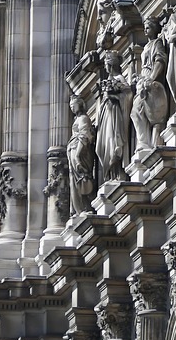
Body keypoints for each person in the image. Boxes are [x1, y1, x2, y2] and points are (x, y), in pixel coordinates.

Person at [131, 15, 169, 150]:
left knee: (149, 111)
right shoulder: (147, 45)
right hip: (144, 80)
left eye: (148, 27)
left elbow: (160, 60)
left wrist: (152, 78)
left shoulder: (157, 43)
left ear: (154, 29)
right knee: (135, 111)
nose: (145, 30)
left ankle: (147, 143)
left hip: (150, 81)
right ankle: (143, 141)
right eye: (145, 27)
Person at [95, 50, 130, 182]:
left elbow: (128, 95)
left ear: (111, 65)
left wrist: (113, 96)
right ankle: (110, 175)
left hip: (115, 115)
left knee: (112, 143)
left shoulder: (119, 79)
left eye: (107, 64)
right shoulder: (108, 81)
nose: (106, 67)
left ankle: (117, 172)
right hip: (106, 116)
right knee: (103, 145)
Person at [66, 96, 97, 214]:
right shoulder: (76, 120)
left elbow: (84, 137)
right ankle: (79, 209)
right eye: (70, 106)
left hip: (80, 152)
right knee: (74, 181)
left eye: (73, 104)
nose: (72, 107)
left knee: (83, 177)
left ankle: (85, 206)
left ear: (80, 104)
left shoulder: (84, 118)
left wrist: (78, 156)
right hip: (73, 151)